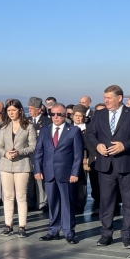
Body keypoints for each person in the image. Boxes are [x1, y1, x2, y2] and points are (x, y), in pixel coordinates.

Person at [86, 85, 130, 248]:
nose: (106, 101)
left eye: (109, 98)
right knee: (106, 201)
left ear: (119, 98)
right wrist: (97, 145)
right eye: (105, 98)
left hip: (127, 165)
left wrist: (124, 145)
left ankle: (127, 235)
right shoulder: (98, 114)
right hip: (105, 166)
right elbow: (90, 134)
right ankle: (106, 234)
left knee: (129, 202)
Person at [34, 104, 84, 244]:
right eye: (52, 114)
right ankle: (53, 230)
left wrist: (75, 173)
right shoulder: (44, 130)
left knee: (67, 203)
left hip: (66, 173)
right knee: (53, 203)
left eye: (59, 114)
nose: (55, 117)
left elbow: (78, 155)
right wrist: (37, 169)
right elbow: (38, 151)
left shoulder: (73, 131)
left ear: (65, 115)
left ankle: (69, 232)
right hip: (48, 172)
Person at [0, 99, 37, 237]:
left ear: (20, 110)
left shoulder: (28, 126)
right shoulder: (4, 127)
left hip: (22, 164)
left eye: (13, 110)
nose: (11, 113)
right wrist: (5, 153)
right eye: (8, 110)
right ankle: (8, 225)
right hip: (6, 164)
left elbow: (33, 146)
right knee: (7, 196)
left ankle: (22, 226)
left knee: (21, 196)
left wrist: (20, 152)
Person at [27, 97, 51, 212]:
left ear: (39, 109)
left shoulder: (47, 121)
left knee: (40, 179)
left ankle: (43, 202)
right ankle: (30, 202)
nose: (30, 110)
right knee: (29, 180)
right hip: (28, 154)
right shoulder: (26, 121)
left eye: (32, 108)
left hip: (42, 154)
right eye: (29, 108)